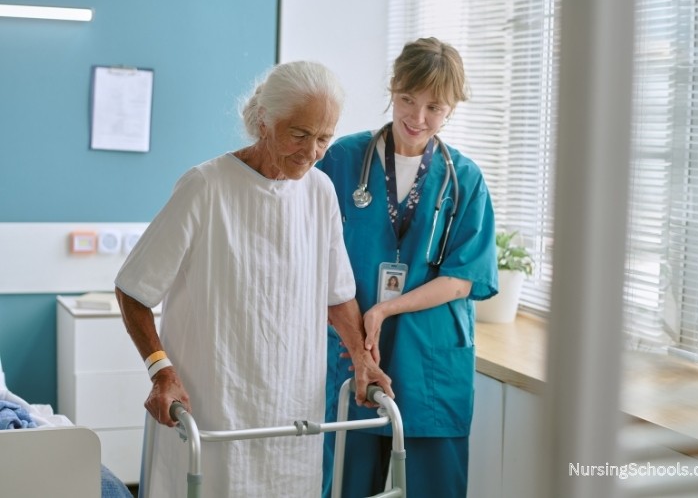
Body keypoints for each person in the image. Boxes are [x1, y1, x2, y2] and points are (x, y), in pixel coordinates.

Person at [114, 60, 392, 498]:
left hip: (291, 412)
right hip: (211, 406)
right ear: (264, 119)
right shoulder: (205, 187)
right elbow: (133, 290)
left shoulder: (319, 192)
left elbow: (337, 295)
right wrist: (160, 371)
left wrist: (361, 355)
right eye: (299, 134)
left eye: (324, 137)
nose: (312, 151)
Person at [318, 38, 498, 497]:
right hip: (353, 354)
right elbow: (310, 253)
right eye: (407, 100)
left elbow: (463, 279)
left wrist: (383, 311)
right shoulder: (342, 160)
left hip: (430, 362)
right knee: (345, 483)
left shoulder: (465, 180)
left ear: (452, 108)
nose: (417, 118)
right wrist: (360, 326)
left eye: (434, 107)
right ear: (393, 89)